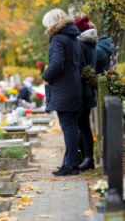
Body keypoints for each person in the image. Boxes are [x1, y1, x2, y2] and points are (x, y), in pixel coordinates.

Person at [42, 9, 82, 176]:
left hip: (64, 88)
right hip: (73, 86)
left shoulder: (58, 38)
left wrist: (45, 76)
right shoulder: (73, 37)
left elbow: (57, 63)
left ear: (52, 22)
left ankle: (72, 164)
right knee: (71, 126)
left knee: (68, 127)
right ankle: (70, 162)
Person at [74, 16, 98, 171]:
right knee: (83, 125)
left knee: (83, 125)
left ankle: (87, 158)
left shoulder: (81, 46)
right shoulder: (91, 44)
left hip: (82, 90)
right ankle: (87, 159)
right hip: (88, 90)